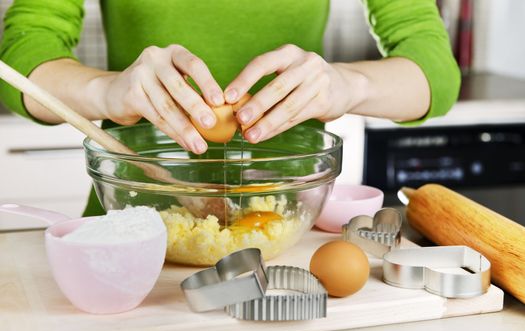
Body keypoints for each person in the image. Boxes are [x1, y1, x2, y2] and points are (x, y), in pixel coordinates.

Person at [0, 0, 460, 216]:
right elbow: (22, 54)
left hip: (285, 230)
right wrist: (105, 93)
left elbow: (435, 73)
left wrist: (349, 83)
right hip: (131, 224)